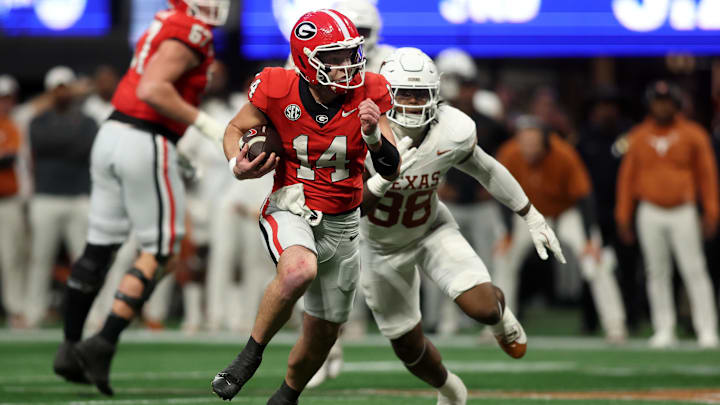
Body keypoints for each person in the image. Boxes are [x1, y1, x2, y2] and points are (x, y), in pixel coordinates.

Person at [211, 9, 401, 405]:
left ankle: (286, 396)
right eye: (334, 57)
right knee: (299, 269)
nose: (347, 65)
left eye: (350, 54)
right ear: (306, 59)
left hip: (344, 221)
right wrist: (236, 163)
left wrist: (374, 138)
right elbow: (234, 129)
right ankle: (248, 357)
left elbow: (391, 166)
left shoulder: (372, 90)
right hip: (291, 204)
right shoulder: (277, 86)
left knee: (323, 335)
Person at [358, 48, 564, 405]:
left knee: (482, 308)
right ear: (385, 91)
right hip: (378, 247)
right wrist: (381, 179)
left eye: (420, 93)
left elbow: (486, 169)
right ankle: (451, 388)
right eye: (404, 92)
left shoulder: (451, 129)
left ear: (436, 94)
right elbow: (351, 207)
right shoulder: (356, 132)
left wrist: (530, 214)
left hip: (431, 229)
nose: (411, 101)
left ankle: (500, 319)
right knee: (407, 346)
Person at [52, 0, 230, 396]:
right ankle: (103, 342)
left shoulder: (166, 19)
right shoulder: (192, 28)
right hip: (145, 138)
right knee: (163, 250)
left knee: (99, 245)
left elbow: (143, 85)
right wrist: (206, 126)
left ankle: (69, 346)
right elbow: (152, 88)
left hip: (114, 133)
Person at [493, 115, 627, 342]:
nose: (528, 149)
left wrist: (588, 240)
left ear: (545, 142)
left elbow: (584, 198)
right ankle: (498, 326)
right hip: (527, 214)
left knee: (595, 261)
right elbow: (499, 193)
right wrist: (507, 233)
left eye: (533, 143)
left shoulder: (563, 154)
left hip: (566, 212)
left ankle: (615, 326)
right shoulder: (509, 153)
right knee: (503, 258)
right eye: (523, 143)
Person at [616, 80, 719, 348]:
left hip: (683, 209)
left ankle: (706, 329)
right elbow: (627, 178)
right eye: (657, 101)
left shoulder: (694, 134)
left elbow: (707, 176)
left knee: (694, 270)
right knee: (655, 271)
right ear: (650, 105)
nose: (662, 106)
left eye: (667, 101)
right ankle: (664, 328)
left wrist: (711, 211)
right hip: (649, 209)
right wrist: (623, 214)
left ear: (676, 104)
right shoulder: (637, 136)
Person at [25, 66, 97, 328]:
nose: (62, 93)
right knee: (39, 258)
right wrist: (67, 142)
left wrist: (61, 143)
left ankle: (89, 315)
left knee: (84, 261)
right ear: (50, 91)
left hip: (78, 197)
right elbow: (44, 143)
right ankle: (33, 313)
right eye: (58, 89)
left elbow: (82, 148)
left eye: (66, 88)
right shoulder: (37, 121)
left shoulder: (87, 120)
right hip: (45, 197)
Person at [577, 88, 643, 333]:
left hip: (624, 210)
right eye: (601, 106)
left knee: (628, 266)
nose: (606, 111)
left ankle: (632, 318)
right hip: (595, 211)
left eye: (610, 105)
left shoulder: (629, 137)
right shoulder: (584, 138)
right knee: (591, 265)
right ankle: (590, 320)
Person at [0, 74, 27, 329]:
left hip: (8, 200)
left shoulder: (16, 124)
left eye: (6, 98)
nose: (2, 103)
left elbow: (10, 158)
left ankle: (15, 310)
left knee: (12, 258)